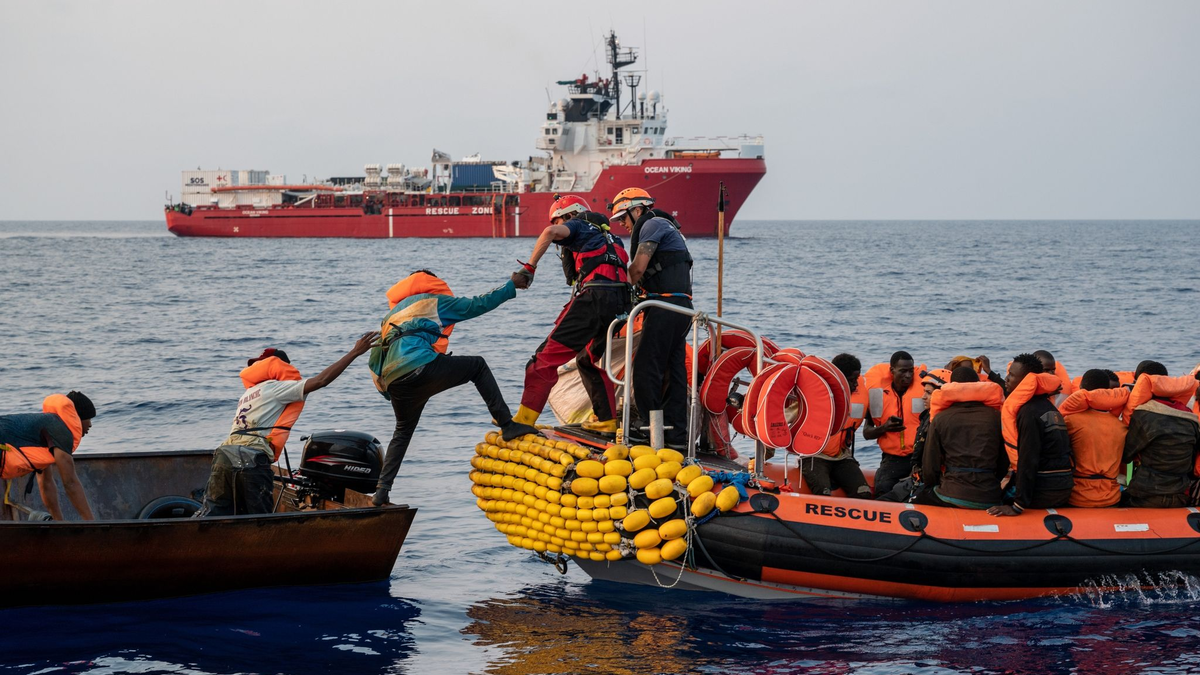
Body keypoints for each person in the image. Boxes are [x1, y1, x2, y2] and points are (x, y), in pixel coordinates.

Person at [370, 270, 539, 506]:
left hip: (395, 381)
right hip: (420, 365)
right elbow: (477, 305)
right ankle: (507, 425)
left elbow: (375, 359)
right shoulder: (433, 302)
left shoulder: (391, 316)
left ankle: (381, 492)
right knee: (477, 366)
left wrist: (390, 391)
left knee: (402, 432)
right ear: (431, 284)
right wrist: (511, 285)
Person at [200, 335, 378, 516]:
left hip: (224, 456)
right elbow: (321, 381)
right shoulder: (276, 388)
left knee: (215, 516)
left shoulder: (249, 393)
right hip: (250, 459)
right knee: (260, 521)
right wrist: (355, 352)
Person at [511, 196, 630, 434]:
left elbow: (549, 232)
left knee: (542, 361)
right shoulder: (612, 237)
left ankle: (523, 422)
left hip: (594, 299)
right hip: (620, 306)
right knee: (586, 360)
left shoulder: (576, 224)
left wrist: (529, 268)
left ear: (569, 215)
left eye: (560, 221)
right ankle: (607, 419)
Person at [608, 187, 694, 447]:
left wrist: (618, 297)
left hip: (665, 306)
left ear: (637, 210)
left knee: (646, 368)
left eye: (623, 217)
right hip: (681, 308)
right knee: (673, 370)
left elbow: (637, 269)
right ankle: (677, 435)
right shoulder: (668, 228)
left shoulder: (652, 225)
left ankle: (647, 428)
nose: (622, 224)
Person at [989, 353, 1073, 516]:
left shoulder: (1028, 413)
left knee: (986, 499)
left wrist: (1017, 506)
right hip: (1061, 488)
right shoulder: (1048, 407)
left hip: (1044, 493)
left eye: (1012, 375)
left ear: (1027, 381)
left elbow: (1028, 459)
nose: (1006, 379)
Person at [920, 366, 1009, 508]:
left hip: (951, 493)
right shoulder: (997, 417)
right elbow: (1004, 462)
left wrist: (932, 486)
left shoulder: (940, 419)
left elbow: (930, 466)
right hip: (990, 495)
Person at [1, 392, 97, 521]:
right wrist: (93, 525)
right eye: (88, 418)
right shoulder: (61, 430)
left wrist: (58, 522)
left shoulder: (47, 427)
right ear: (76, 417)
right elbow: (70, 483)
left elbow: (46, 483)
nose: (90, 425)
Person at [1121, 369, 1200, 508]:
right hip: (1180, 494)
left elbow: (1126, 456)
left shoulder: (1143, 415)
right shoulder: (1191, 419)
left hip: (1147, 493)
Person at [801, 354, 871, 499]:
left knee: (863, 493)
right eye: (851, 380)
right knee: (823, 493)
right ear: (838, 378)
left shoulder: (861, 393)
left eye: (856, 380)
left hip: (842, 456)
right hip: (815, 455)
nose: (856, 385)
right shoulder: (815, 394)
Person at [1060, 369, 1129, 508]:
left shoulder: (1070, 421)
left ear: (1080, 389)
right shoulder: (1120, 426)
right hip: (1111, 498)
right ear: (1107, 392)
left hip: (1077, 497)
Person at [863, 351, 924, 497]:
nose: (908, 375)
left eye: (911, 371)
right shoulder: (877, 395)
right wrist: (885, 428)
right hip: (892, 459)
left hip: (920, 457)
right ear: (892, 371)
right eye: (903, 371)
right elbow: (866, 433)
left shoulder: (924, 392)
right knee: (883, 488)